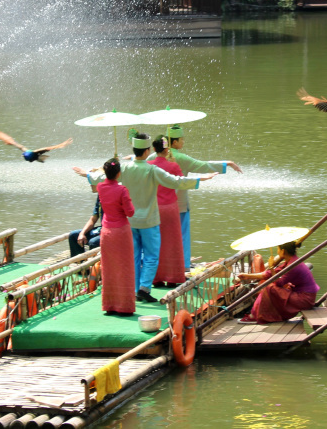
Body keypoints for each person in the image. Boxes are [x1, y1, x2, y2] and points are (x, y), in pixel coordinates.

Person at [74, 132, 217, 303]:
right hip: (149, 220)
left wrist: (86, 174)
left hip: (130, 220)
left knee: (134, 255)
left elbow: (102, 176)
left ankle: (135, 289)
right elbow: (175, 182)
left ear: (134, 150)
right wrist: (199, 179)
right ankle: (144, 287)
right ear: (147, 151)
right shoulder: (152, 169)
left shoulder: (124, 168)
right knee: (151, 255)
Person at [159, 124, 242, 268]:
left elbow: (143, 158)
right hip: (179, 204)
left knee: (161, 236)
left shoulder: (156, 156)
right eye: (181, 139)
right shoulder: (180, 157)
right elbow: (203, 166)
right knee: (182, 235)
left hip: (159, 204)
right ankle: (182, 264)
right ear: (174, 142)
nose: (184, 142)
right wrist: (226, 163)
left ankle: (162, 265)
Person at [235, 241, 319, 323]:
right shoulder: (291, 261)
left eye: (278, 249)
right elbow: (269, 274)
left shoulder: (293, 265)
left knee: (269, 287)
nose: (277, 252)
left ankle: (255, 316)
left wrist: (271, 267)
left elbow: (279, 282)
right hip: (303, 295)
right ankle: (257, 315)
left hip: (305, 299)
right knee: (270, 287)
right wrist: (247, 276)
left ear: (283, 251)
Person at [96, 158, 135, 316]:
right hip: (121, 232)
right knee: (124, 268)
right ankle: (124, 307)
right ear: (119, 173)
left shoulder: (100, 187)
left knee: (109, 268)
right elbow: (130, 212)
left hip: (106, 232)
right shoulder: (122, 190)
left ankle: (110, 305)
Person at [149, 136, 187, 286]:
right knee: (172, 242)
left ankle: (156, 277)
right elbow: (183, 183)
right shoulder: (173, 166)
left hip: (154, 208)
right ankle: (172, 278)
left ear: (153, 149)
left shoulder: (149, 165)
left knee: (155, 242)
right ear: (167, 149)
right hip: (170, 207)